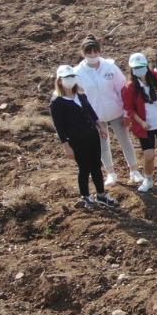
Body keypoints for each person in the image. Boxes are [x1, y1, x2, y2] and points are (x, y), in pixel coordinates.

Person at [74, 37, 140, 187]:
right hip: (96, 116)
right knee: (103, 144)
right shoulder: (77, 72)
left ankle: (134, 170)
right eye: (88, 53)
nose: (92, 55)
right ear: (83, 53)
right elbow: (79, 97)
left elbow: (122, 90)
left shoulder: (110, 67)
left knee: (125, 141)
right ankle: (111, 173)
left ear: (100, 51)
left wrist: (126, 113)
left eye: (95, 52)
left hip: (116, 111)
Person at [49, 64, 118, 208]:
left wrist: (100, 126)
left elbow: (91, 112)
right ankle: (86, 196)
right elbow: (59, 126)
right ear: (60, 81)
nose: (70, 80)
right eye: (67, 78)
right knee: (84, 168)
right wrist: (66, 146)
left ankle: (101, 194)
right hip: (76, 140)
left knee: (96, 166)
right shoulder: (57, 102)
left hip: (92, 135)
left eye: (72, 77)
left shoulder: (81, 95)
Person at [122, 52, 157, 193]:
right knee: (149, 155)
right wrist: (141, 122)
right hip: (145, 126)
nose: (139, 70)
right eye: (136, 68)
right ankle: (148, 178)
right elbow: (129, 109)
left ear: (147, 66)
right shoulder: (130, 87)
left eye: (141, 66)